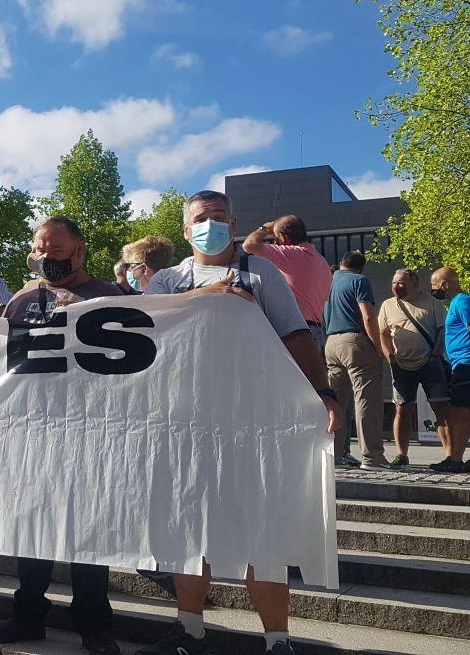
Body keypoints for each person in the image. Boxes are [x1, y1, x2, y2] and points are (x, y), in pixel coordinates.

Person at [139, 190, 340, 655]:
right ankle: (189, 630)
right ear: (186, 229)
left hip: (253, 421)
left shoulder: (261, 272)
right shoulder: (168, 280)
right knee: (187, 526)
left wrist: (324, 393)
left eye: (220, 217)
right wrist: (209, 294)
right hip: (183, 421)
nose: (211, 224)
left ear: (233, 223)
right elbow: (145, 328)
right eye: (202, 218)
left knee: (261, 528)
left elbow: (295, 334)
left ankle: (278, 640)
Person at [0, 216, 123, 654]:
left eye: (55, 252)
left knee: (90, 532)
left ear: (79, 250)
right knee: (31, 528)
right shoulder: (22, 298)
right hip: (32, 434)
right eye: (40, 251)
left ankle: (94, 623)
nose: (45, 259)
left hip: (92, 433)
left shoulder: (110, 296)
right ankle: (28, 615)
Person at [377, 269, 451, 466]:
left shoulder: (433, 304)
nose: (396, 286)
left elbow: (443, 330)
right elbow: (383, 333)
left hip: (430, 364)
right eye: (394, 282)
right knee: (402, 409)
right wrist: (389, 356)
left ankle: (450, 455)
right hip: (401, 365)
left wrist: (435, 354)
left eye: (401, 283)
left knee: (441, 408)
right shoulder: (387, 305)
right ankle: (402, 454)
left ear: (415, 285)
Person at [429, 267, 470, 473]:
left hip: (468, 363)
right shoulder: (459, 302)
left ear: (445, 284)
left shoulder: (462, 301)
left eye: (434, 286)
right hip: (468, 363)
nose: (434, 290)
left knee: (459, 411)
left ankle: (456, 458)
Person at [324, 251, 388, 469]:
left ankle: (334, 455)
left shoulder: (328, 282)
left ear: (342, 263)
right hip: (355, 340)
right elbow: (368, 316)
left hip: (331, 341)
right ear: (361, 267)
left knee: (336, 402)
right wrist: (378, 349)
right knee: (366, 399)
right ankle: (372, 457)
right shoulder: (359, 281)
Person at [241, 215, 333, 351]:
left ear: (284, 238)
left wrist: (265, 227)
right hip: (315, 330)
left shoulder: (291, 255)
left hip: (293, 329)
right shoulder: (321, 261)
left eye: (275, 239)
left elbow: (249, 245)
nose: (274, 243)